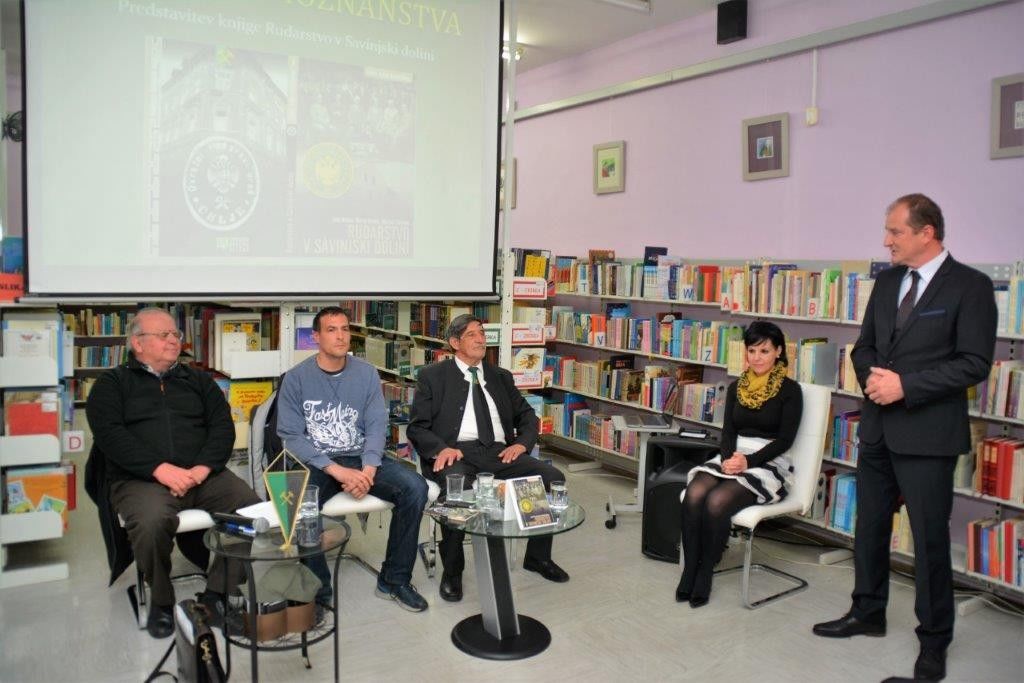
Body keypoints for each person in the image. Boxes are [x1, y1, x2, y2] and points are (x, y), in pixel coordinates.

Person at [813, 194, 997, 681]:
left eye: (895, 231)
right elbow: (866, 345)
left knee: (930, 542)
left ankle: (934, 642)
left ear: (926, 232)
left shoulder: (971, 287)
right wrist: (873, 378)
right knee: (869, 528)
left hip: (929, 436)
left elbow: (973, 363)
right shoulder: (889, 281)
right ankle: (866, 612)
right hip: (878, 428)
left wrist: (906, 386)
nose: (886, 240)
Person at [86, 308, 260, 639]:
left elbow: (222, 428)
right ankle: (162, 600)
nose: (173, 340)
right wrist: (160, 470)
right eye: (163, 335)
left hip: (202, 475)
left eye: (175, 335)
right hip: (141, 479)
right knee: (150, 522)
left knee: (250, 509)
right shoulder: (112, 384)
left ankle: (217, 595)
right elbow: (110, 436)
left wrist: (201, 469)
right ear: (138, 343)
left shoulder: (199, 381)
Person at [276, 306, 429, 612]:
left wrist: (369, 469)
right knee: (297, 499)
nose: (341, 336)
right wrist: (337, 471)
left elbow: (376, 424)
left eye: (345, 329)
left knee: (415, 488)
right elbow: (291, 436)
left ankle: (394, 580)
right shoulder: (296, 378)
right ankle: (318, 592)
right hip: (318, 462)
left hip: (361, 457)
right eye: (331, 330)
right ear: (316, 337)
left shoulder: (366, 373)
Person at [407, 314, 569, 602]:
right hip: (456, 453)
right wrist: (441, 448)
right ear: (455, 343)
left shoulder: (500, 376)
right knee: (456, 491)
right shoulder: (433, 376)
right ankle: (453, 571)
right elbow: (417, 427)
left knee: (551, 477)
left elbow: (527, 416)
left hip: (499, 453)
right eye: (472, 335)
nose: (481, 339)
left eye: (482, 333)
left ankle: (538, 557)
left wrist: (521, 444)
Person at [676, 320, 803, 607]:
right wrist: (729, 459)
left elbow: (785, 440)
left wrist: (748, 462)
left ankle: (705, 574)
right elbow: (728, 431)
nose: (757, 358)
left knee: (717, 501)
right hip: (733, 454)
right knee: (695, 492)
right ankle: (690, 569)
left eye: (764, 351)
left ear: (778, 352)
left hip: (768, 459)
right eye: (752, 351)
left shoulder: (790, 390)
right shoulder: (737, 387)